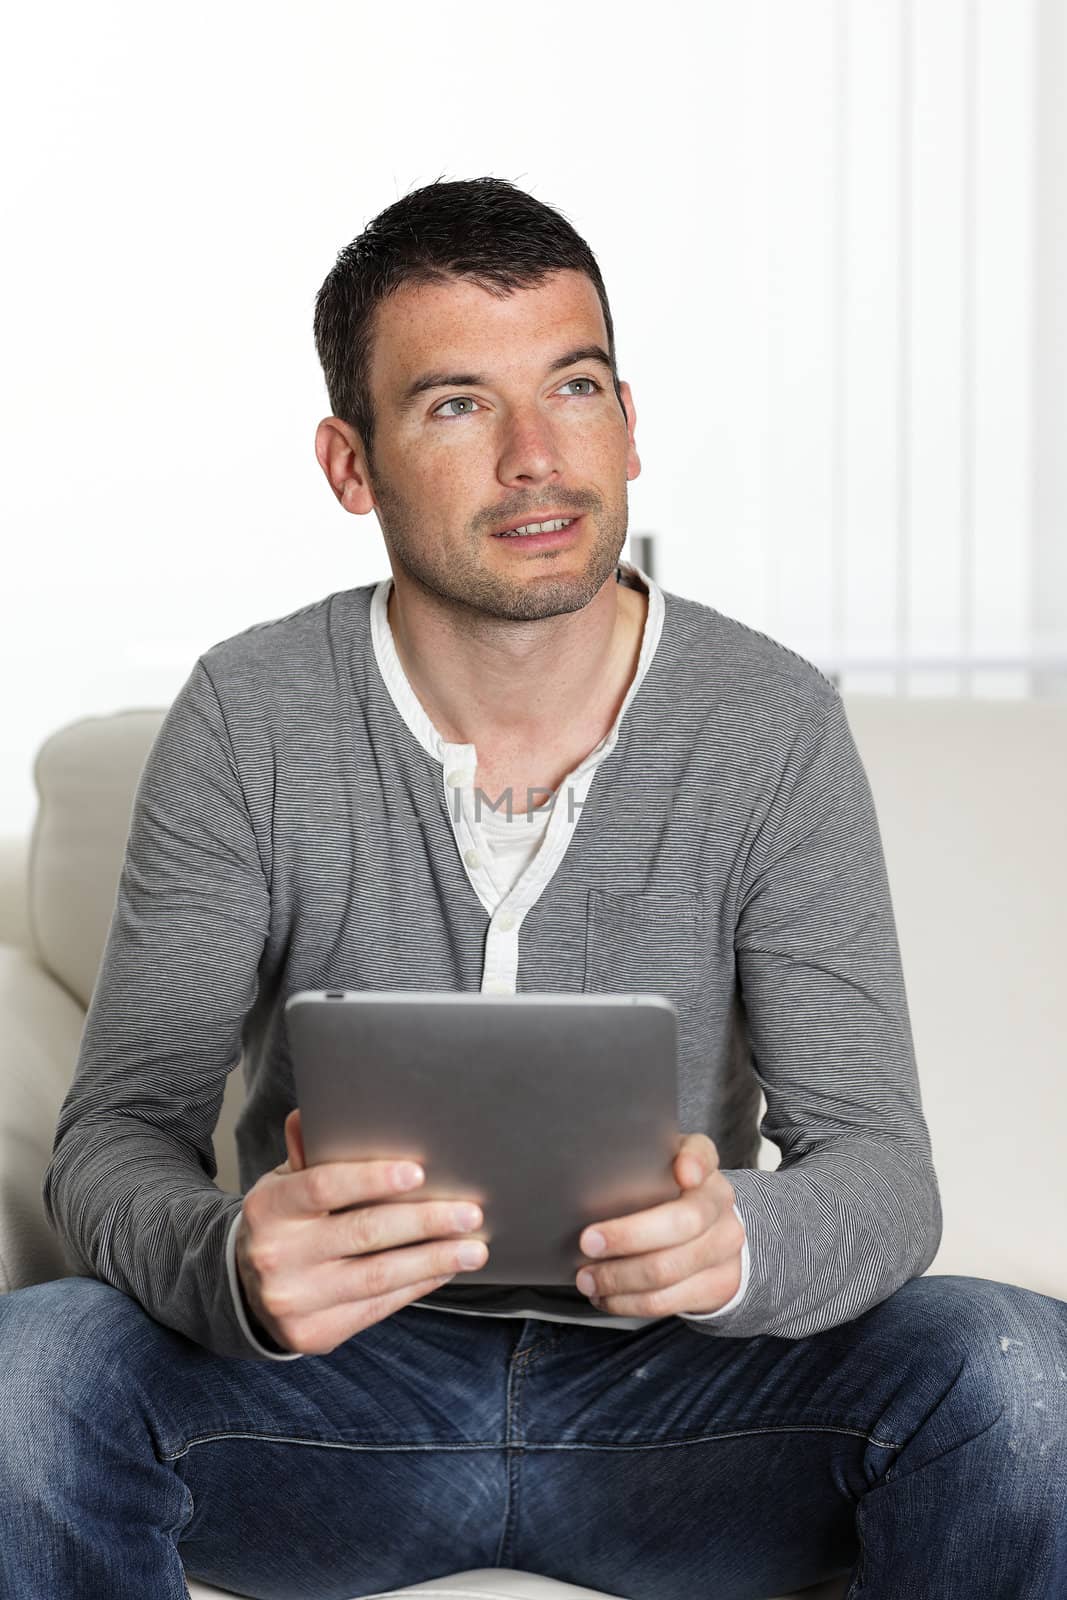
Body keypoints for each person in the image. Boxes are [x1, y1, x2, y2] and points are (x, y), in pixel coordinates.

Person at [1, 176, 1063, 1600]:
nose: (535, 459)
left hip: (693, 1409)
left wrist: (736, 1247)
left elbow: (879, 1168)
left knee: (1016, 1373)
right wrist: (235, 1266)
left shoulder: (770, 721)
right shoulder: (249, 715)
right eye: (454, 404)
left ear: (629, 418)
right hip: (326, 1404)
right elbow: (114, 1140)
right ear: (350, 464)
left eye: (573, 387)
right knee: (33, 1369)